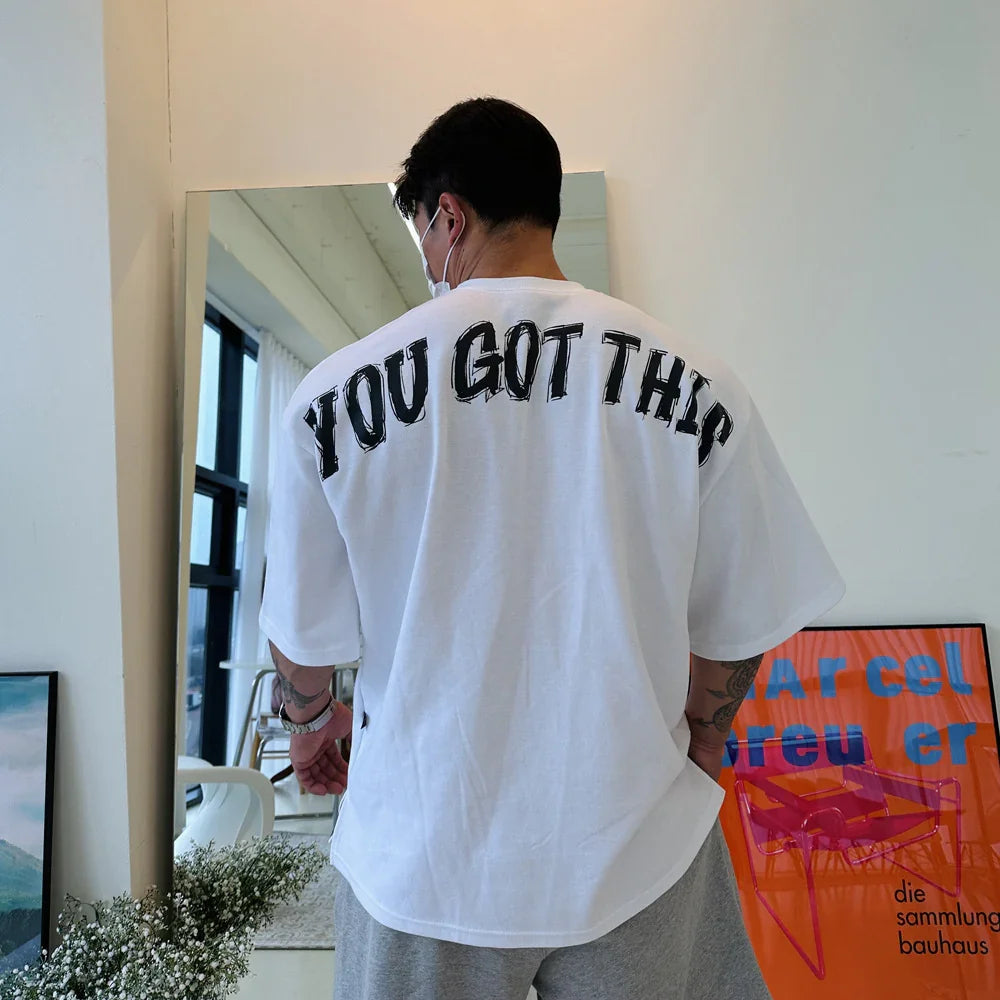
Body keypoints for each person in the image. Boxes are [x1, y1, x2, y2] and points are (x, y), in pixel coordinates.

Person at [260, 96, 845, 1000]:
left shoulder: (331, 399)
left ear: (447, 215)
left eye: (421, 227)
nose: (425, 254)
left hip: (422, 852)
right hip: (630, 840)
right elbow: (737, 624)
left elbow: (304, 639)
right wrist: (704, 736)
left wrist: (310, 726)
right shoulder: (700, 385)